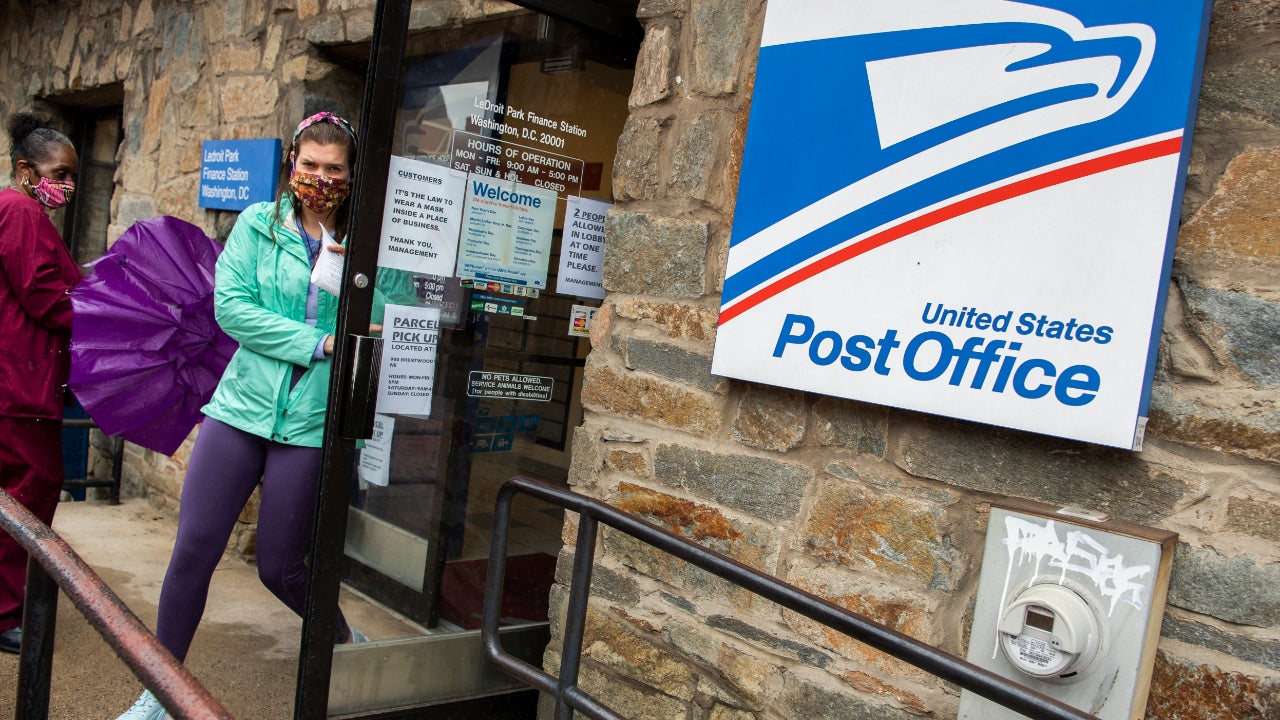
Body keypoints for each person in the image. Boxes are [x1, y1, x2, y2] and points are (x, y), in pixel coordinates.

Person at [117, 111, 378, 720]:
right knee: (194, 549)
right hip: (239, 411)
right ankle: (159, 691)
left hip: (310, 422)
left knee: (279, 565)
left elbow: (385, 319)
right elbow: (232, 309)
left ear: (351, 174)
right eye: (310, 165)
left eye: (334, 169)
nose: (321, 178)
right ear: (293, 164)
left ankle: (341, 638)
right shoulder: (258, 225)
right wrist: (316, 342)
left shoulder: (367, 241)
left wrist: (348, 289)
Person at [0, 112, 81, 655]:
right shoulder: (22, 211)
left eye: (75, 174)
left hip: (21, 379)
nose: (70, 185)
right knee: (28, 495)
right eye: (61, 172)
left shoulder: (21, 212)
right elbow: (44, 296)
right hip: (19, 385)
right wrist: (105, 311)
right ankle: (7, 613)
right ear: (27, 169)